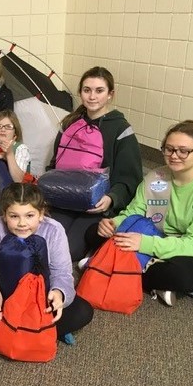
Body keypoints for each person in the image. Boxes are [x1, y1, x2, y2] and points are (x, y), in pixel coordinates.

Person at [95, 120, 193, 307]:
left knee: (184, 275)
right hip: (156, 234)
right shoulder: (156, 176)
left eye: (183, 151)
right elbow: (135, 211)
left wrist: (145, 244)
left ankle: (107, 264)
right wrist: (114, 223)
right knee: (94, 232)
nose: (174, 156)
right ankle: (146, 276)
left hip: (190, 247)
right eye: (169, 149)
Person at [0, 183, 94, 338]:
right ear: (4, 215)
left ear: (41, 214)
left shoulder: (54, 230)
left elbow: (62, 273)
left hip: (42, 297)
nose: (22, 223)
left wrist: (59, 293)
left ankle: (9, 331)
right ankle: (35, 332)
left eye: (29, 216)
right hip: (6, 295)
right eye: (14, 216)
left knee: (83, 312)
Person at [47, 66, 142, 261]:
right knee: (47, 242)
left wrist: (111, 198)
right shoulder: (69, 124)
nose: (92, 96)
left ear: (110, 94)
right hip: (64, 200)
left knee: (69, 250)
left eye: (99, 91)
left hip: (97, 205)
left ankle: (94, 249)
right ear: (80, 92)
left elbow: (130, 178)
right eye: (87, 90)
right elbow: (55, 164)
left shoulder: (121, 129)